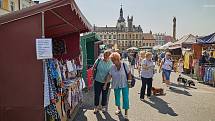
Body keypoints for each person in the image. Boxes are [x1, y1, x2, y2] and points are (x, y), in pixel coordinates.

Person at [104, 52, 131, 120]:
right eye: (112, 60)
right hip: (116, 84)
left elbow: (129, 73)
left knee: (125, 98)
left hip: (124, 84)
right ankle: (118, 109)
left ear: (118, 59)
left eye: (114, 60)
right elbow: (109, 76)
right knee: (117, 97)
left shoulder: (124, 65)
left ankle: (126, 113)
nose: (113, 62)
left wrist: (129, 81)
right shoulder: (112, 67)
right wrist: (105, 84)